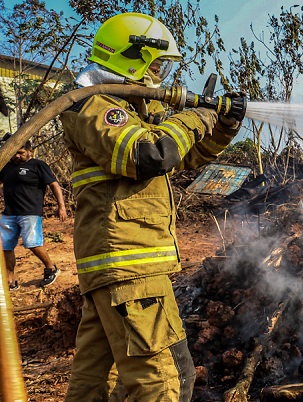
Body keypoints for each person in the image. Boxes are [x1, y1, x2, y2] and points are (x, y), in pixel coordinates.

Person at [59, 12, 241, 401]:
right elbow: (151, 155)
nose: (159, 76)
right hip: (130, 269)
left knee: (94, 385)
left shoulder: (130, 110)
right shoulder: (92, 107)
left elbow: (185, 156)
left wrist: (223, 125)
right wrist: (200, 114)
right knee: (166, 382)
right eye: (155, 65)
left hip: (117, 271)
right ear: (130, 58)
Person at [0, 139, 68, 289]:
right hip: (9, 214)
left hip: (30, 213)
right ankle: (11, 280)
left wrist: (61, 206)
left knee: (33, 244)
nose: (17, 156)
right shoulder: (6, 166)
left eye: (21, 153)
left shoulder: (38, 165)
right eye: (14, 153)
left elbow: (54, 185)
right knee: (5, 247)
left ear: (30, 151)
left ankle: (51, 268)